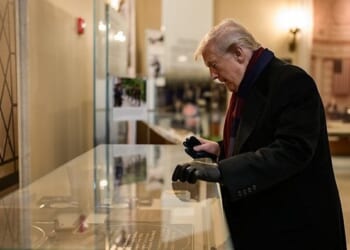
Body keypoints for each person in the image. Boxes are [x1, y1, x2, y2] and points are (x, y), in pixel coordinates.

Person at [172, 19, 347, 250]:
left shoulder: (292, 81)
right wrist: (219, 148)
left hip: (295, 229)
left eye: (214, 65)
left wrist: (222, 171)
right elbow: (259, 139)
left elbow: (291, 151)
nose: (213, 75)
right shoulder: (248, 86)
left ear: (238, 53)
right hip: (266, 223)